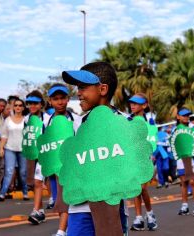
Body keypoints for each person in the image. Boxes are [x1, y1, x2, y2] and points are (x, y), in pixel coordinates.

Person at [62, 61, 128, 236]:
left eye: (83, 88)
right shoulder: (78, 124)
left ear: (103, 89)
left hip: (110, 208)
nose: (79, 93)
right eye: (78, 88)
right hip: (80, 208)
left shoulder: (123, 123)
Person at [46, 83, 81, 236]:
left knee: (66, 198)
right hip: (53, 168)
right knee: (59, 200)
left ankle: (61, 231)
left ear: (68, 99)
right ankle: (64, 230)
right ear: (50, 101)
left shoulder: (77, 120)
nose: (59, 102)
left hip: (71, 168)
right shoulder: (47, 122)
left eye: (62, 98)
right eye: (56, 99)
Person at [127, 94, 158, 231]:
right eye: (131, 103)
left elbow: (152, 142)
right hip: (132, 160)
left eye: (136, 103)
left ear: (144, 105)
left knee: (143, 188)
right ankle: (139, 217)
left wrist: (151, 155)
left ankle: (150, 215)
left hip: (145, 159)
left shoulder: (150, 123)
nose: (132, 105)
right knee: (135, 189)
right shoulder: (128, 121)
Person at [25, 90, 51, 225]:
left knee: (38, 181)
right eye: (29, 103)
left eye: (35, 103)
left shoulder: (48, 119)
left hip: (45, 154)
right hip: (32, 155)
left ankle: (36, 210)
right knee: (36, 183)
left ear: (41, 104)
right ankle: (40, 212)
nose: (32, 106)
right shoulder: (27, 119)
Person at [0, 98, 28, 201]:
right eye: (16, 105)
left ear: (23, 108)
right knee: (9, 171)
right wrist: (1, 148)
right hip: (10, 149)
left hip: (23, 150)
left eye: (20, 105)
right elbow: (4, 135)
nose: (18, 107)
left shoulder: (26, 120)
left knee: (23, 173)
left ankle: (25, 192)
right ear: (13, 107)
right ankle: (2, 193)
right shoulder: (8, 120)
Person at [175, 108, 194, 217]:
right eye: (183, 115)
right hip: (181, 159)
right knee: (184, 182)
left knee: (192, 181)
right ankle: (185, 206)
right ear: (178, 116)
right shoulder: (175, 129)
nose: (186, 117)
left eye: (187, 115)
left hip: (192, 159)